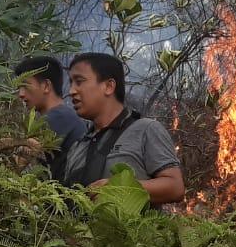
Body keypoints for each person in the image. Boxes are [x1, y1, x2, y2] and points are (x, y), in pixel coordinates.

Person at [59, 52, 185, 205]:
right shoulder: (79, 145)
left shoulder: (146, 130)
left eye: (79, 81)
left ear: (108, 86)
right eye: (71, 82)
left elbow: (175, 188)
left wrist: (117, 188)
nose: (71, 91)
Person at [14, 54, 88, 182]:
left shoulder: (59, 117)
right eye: (19, 88)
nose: (21, 94)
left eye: (25, 86)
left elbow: (16, 165)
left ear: (46, 86)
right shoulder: (64, 115)